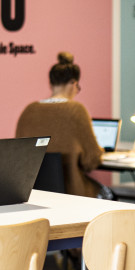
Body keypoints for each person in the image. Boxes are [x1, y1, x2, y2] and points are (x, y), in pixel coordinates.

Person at [15, 51, 105, 198]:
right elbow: (91, 160)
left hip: (33, 194)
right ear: (74, 83)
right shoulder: (76, 110)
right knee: (108, 194)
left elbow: (19, 157)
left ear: (51, 83)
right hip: (71, 194)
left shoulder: (29, 111)